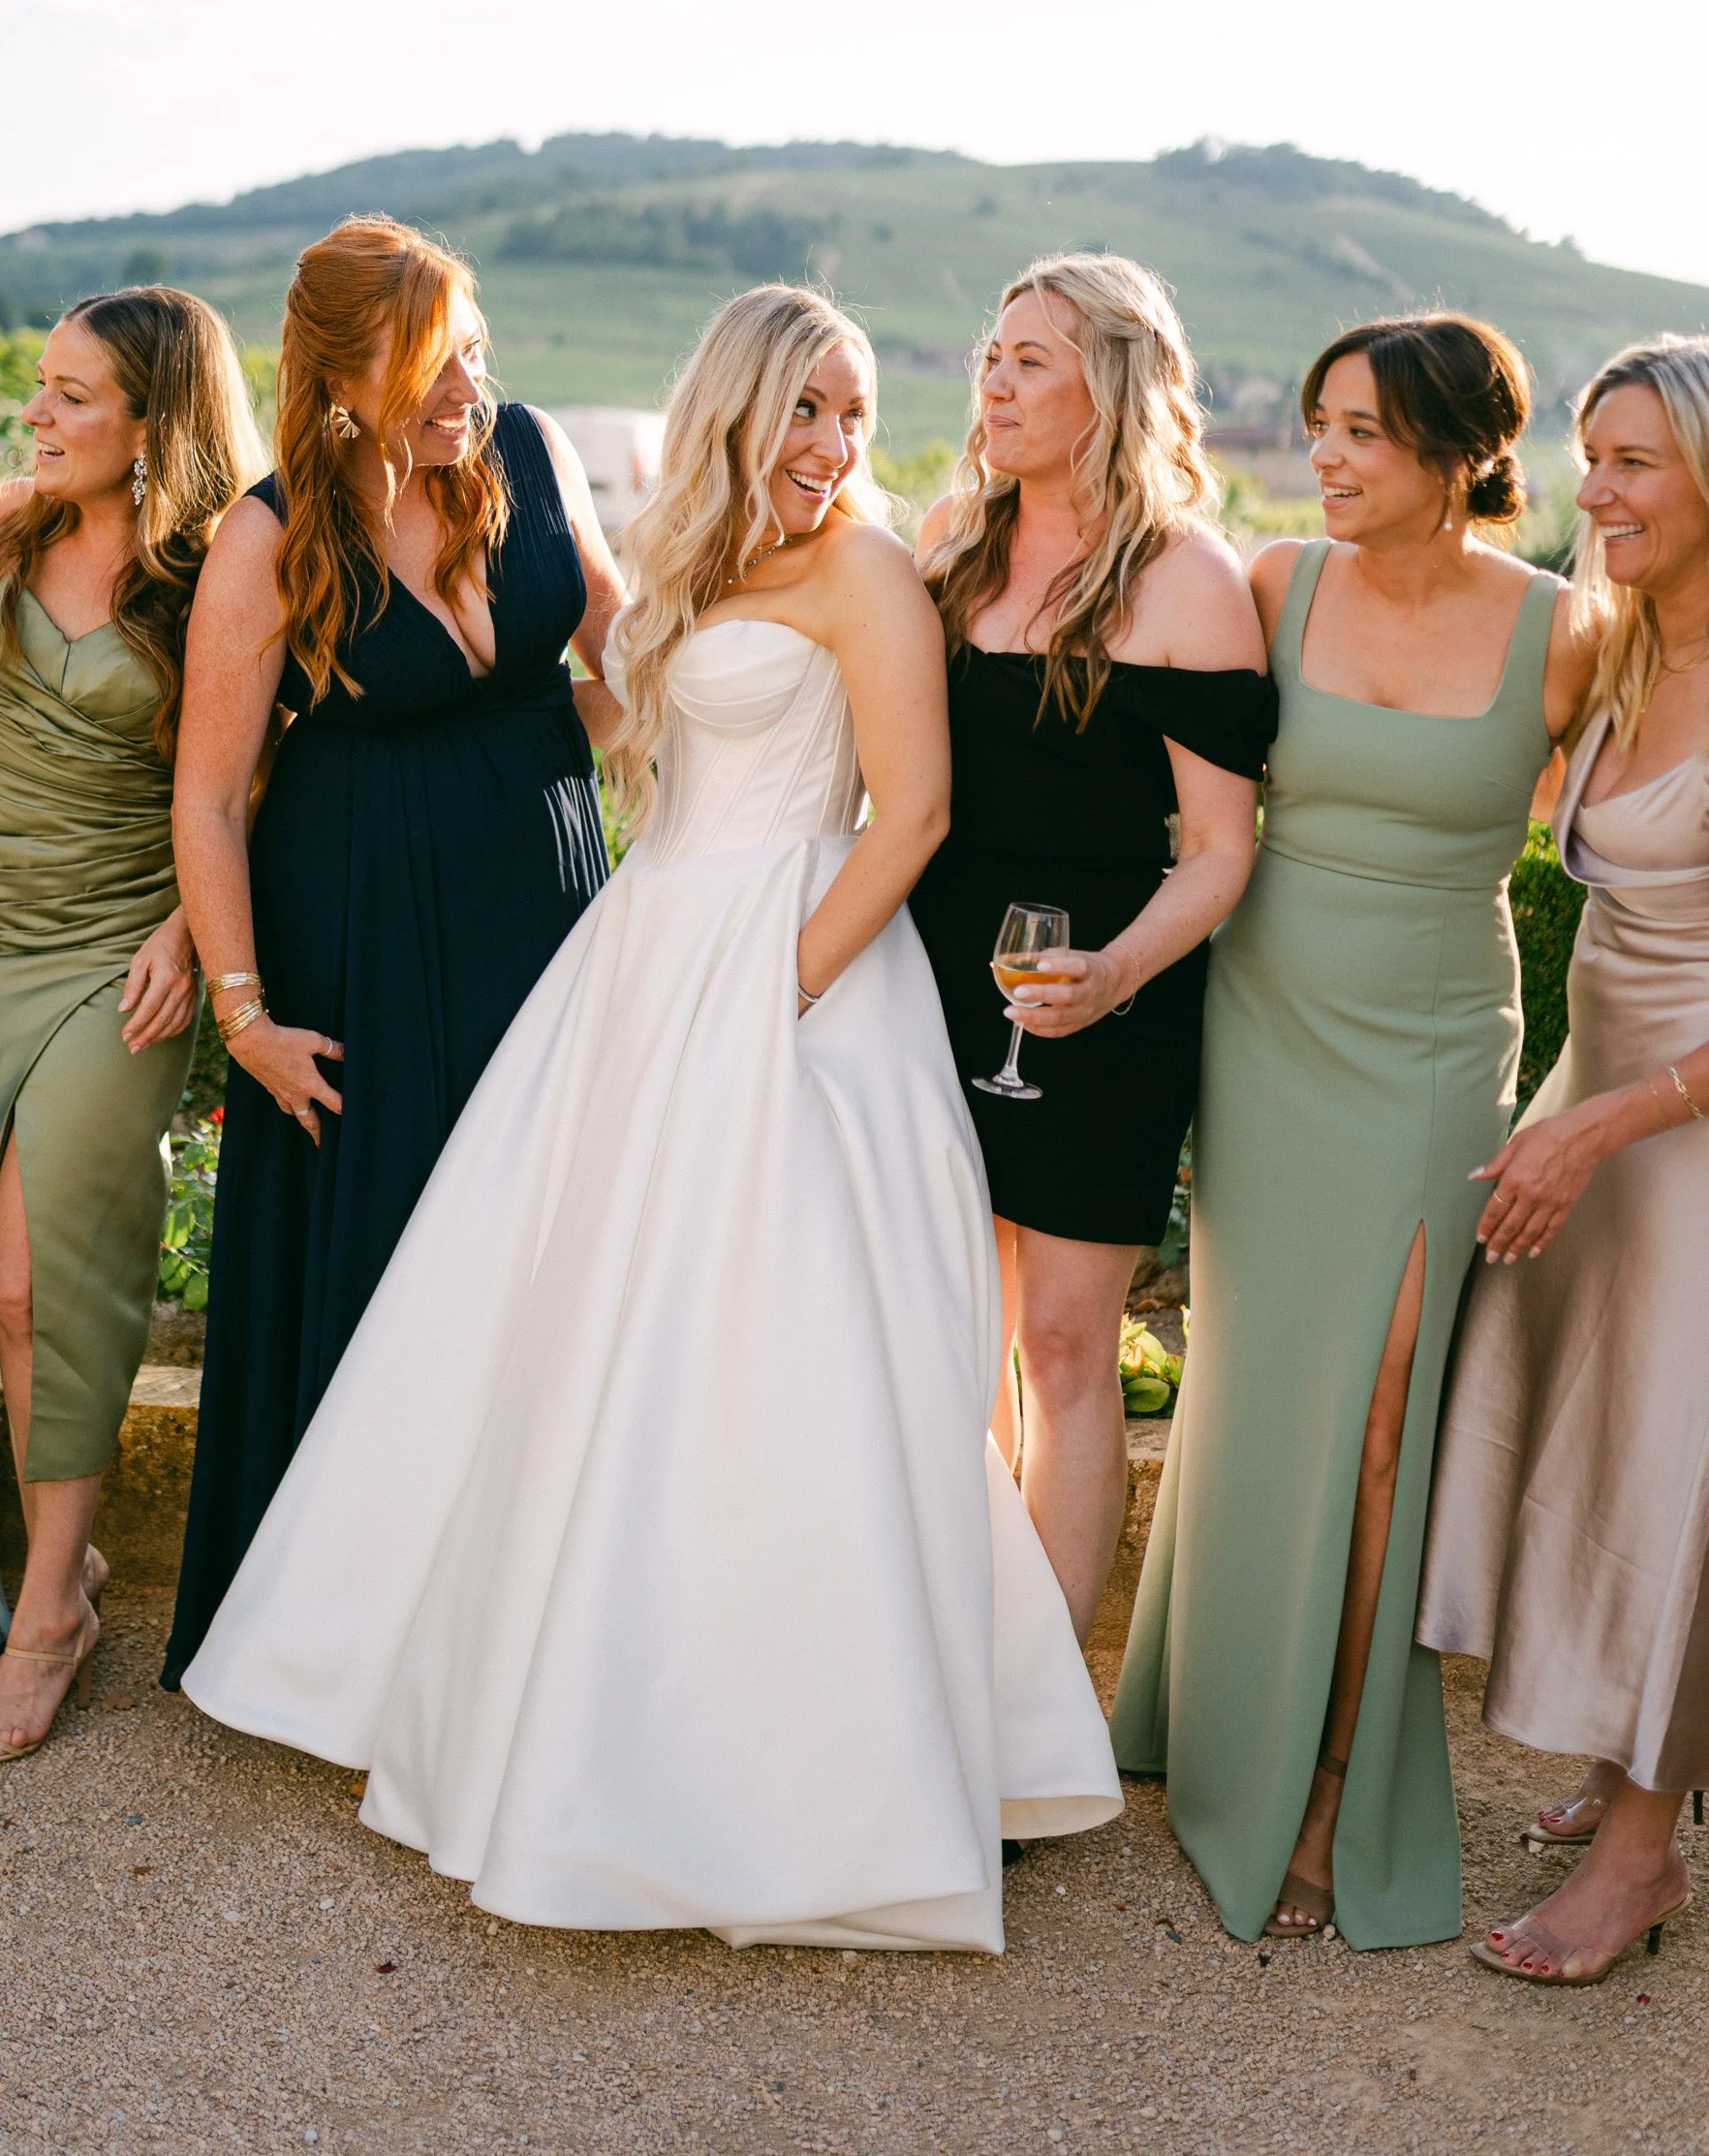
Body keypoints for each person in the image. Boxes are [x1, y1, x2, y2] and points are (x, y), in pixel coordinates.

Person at [181, 283, 1121, 1950]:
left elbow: (910, 818)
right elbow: (614, 716)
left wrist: (778, 992)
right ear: (735, 409)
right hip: (640, 950)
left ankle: (818, 1768)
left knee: (775, 1344)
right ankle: (547, 1709)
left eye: (854, 412)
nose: (834, 442)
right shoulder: (690, 563)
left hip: (799, 975)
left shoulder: (867, 570)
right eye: (806, 408)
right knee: (567, 1323)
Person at [1112, 313, 1591, 1950]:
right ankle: (1202, 1709)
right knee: (1253, 1372)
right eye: (1319, 423)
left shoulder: (1564, 632)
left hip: (1437, 1049)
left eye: (1361, 432)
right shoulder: (1271, 586)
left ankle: (1330, 1781)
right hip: (1263, 1035)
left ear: (1459, 454)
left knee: (1384, 1406)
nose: (1321, 454)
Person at [161, 218, 622, 1689]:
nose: (466, 392)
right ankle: (362, 1643)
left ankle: (531, 1615)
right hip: (362, 931)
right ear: (341, 382)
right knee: (397, 1250)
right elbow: (210, 796)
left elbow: (628, 661)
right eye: (430, 369)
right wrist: (244, 1019)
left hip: (550, 905)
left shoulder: (533, 454)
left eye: (474, 352)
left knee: (547, 1245)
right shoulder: (271, 534)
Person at [0, 288, 264, 1767]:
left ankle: (48, 1616)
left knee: (37, 1271)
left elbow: (255, 782)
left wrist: (190, 929)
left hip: (119, 959)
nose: (37, 413)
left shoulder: (219, 574)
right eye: (41, 387)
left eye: (72, 395)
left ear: (152, 423)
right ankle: (63, 1552)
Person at [911, 254, 1270, 1640]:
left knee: (1064, 1346)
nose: (994, 386)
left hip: (1108, 999)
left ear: (1112, 387)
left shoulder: (1188, 580)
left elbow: (1222, 848)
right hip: (935, 981)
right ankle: (955, 1643)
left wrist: (1114, 973)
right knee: (959, 1334)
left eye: (1032, 362)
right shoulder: (952, 539)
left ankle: (1045, 1691)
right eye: (991, 358)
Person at [1420, 336, 1709, 1984]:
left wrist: (1607, 1120)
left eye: (1634, 461)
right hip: (1596, 1094)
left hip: (1681, 1128)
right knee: (1603, 1450)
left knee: (1676, 1475)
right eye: (1592, 455)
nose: (1593, 490)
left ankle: (1641, 1857)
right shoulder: (1621, 644)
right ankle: (1624, 1755)